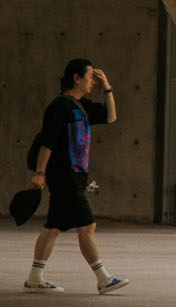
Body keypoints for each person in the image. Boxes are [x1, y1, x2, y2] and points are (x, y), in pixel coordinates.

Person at [22, 58, 129, 294]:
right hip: (65, 177)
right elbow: (47, 143)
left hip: (76, 177)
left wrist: (108, 87)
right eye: (90, 77)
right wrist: (40, 173)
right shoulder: (60, 106)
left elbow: (111, 117)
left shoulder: (81, 106)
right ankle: (103, 278)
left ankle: (34, 278)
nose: (93, 82)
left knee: (54, 227)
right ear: (76, 78)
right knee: (87, 226)